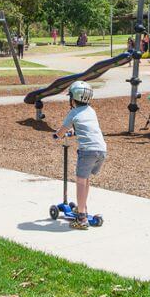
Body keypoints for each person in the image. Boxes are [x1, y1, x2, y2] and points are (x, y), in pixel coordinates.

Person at [52, 81, 104, 230]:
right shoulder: (91, 111)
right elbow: (86, 128)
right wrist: (73, 133)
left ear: (72, 99)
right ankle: (83, 208)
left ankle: (81, 218)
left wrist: (57, 135)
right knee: (85, 179)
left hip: (87, 150)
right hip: (101, 150)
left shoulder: (73, 112)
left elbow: (62, 131)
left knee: (80, 182)